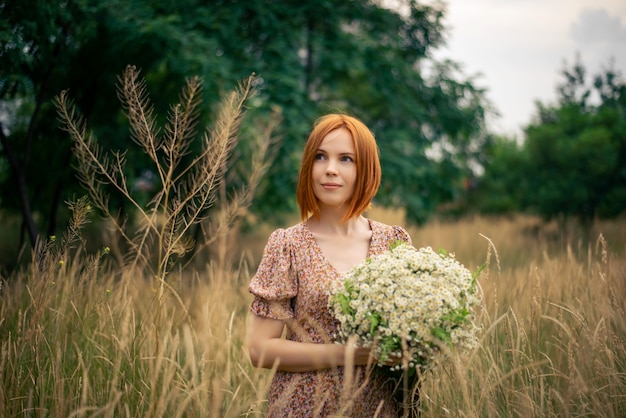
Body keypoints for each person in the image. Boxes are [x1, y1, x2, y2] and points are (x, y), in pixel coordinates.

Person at [246, 113, 412, 417]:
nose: (330, 169)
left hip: (379, 409)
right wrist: (353, 355)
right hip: (305, 408)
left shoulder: (394, 243)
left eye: (346, 159)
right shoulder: (288, 246)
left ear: (367, 169)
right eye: (320, 157)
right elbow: (260, 349)